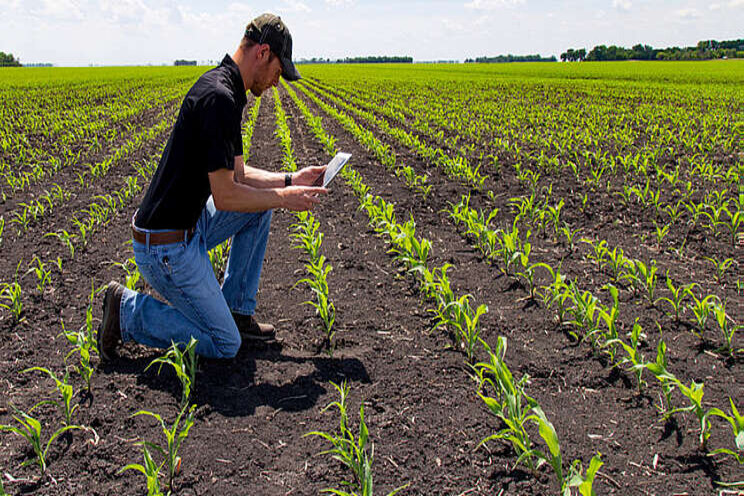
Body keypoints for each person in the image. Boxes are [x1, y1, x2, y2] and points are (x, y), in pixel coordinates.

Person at [98, 13, 328, 361]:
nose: (277, 83)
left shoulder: (227, 89)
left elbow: (236, 175)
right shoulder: (219, 97)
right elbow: (226, 196)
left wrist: (291, 179)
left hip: (184, 226)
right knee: (224, 344)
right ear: (263, 53)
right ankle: (126, 312)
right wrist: (285, 198)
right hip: (166, 249)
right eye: (279, 71)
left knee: (259, 208)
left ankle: (236, 310)